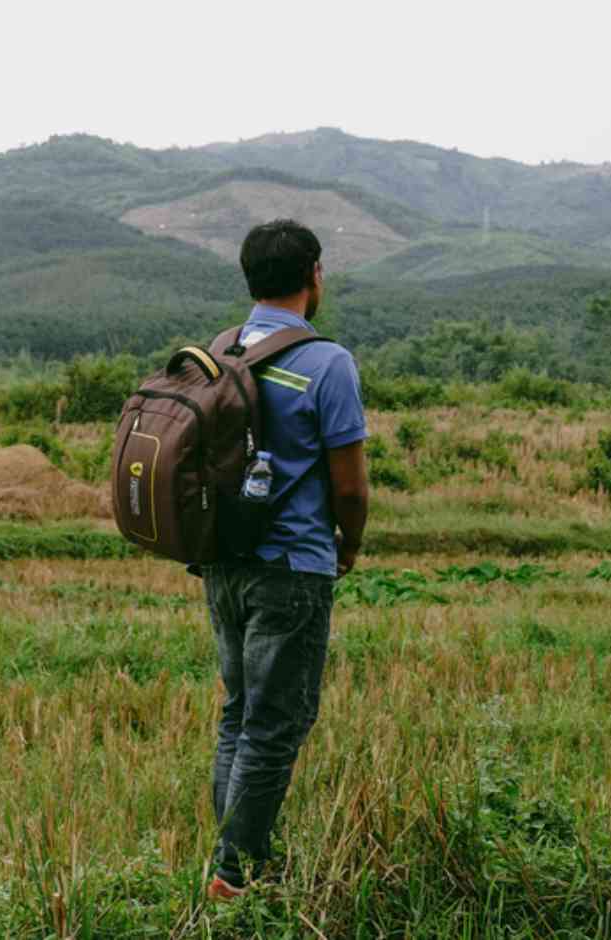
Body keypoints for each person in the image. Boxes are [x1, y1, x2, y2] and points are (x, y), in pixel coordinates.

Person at [205, 219, 370, 900]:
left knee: (240, 713)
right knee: (276, 727)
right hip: (293, 567)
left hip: (222, 564)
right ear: (314, 277)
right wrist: (348, 548)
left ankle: (240, 855)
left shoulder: (218, 351)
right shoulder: (328, 362)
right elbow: (351, 486)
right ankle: (234, 876)